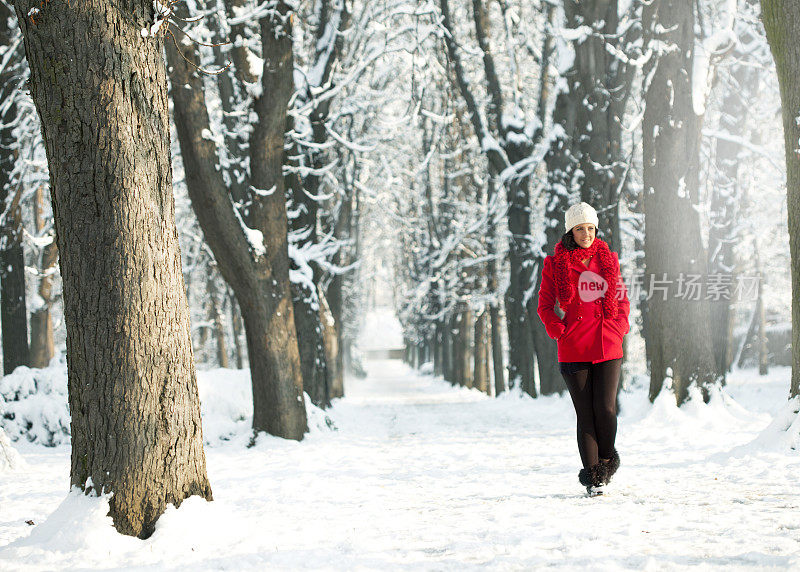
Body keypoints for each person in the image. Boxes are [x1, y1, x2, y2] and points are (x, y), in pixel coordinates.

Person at [536, 202, 631, 496]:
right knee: (585, 413)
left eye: (591, 228)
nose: (586, 234)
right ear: (571, 232)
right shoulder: (555, 264)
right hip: (574, 346)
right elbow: (545, 306)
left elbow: (622, 300)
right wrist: (559, 330)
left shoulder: (608, 260)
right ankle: (594, 479)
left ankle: (605, 460)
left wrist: (619, 327)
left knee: (606, 408)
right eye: (580, 229)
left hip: (607, 343)